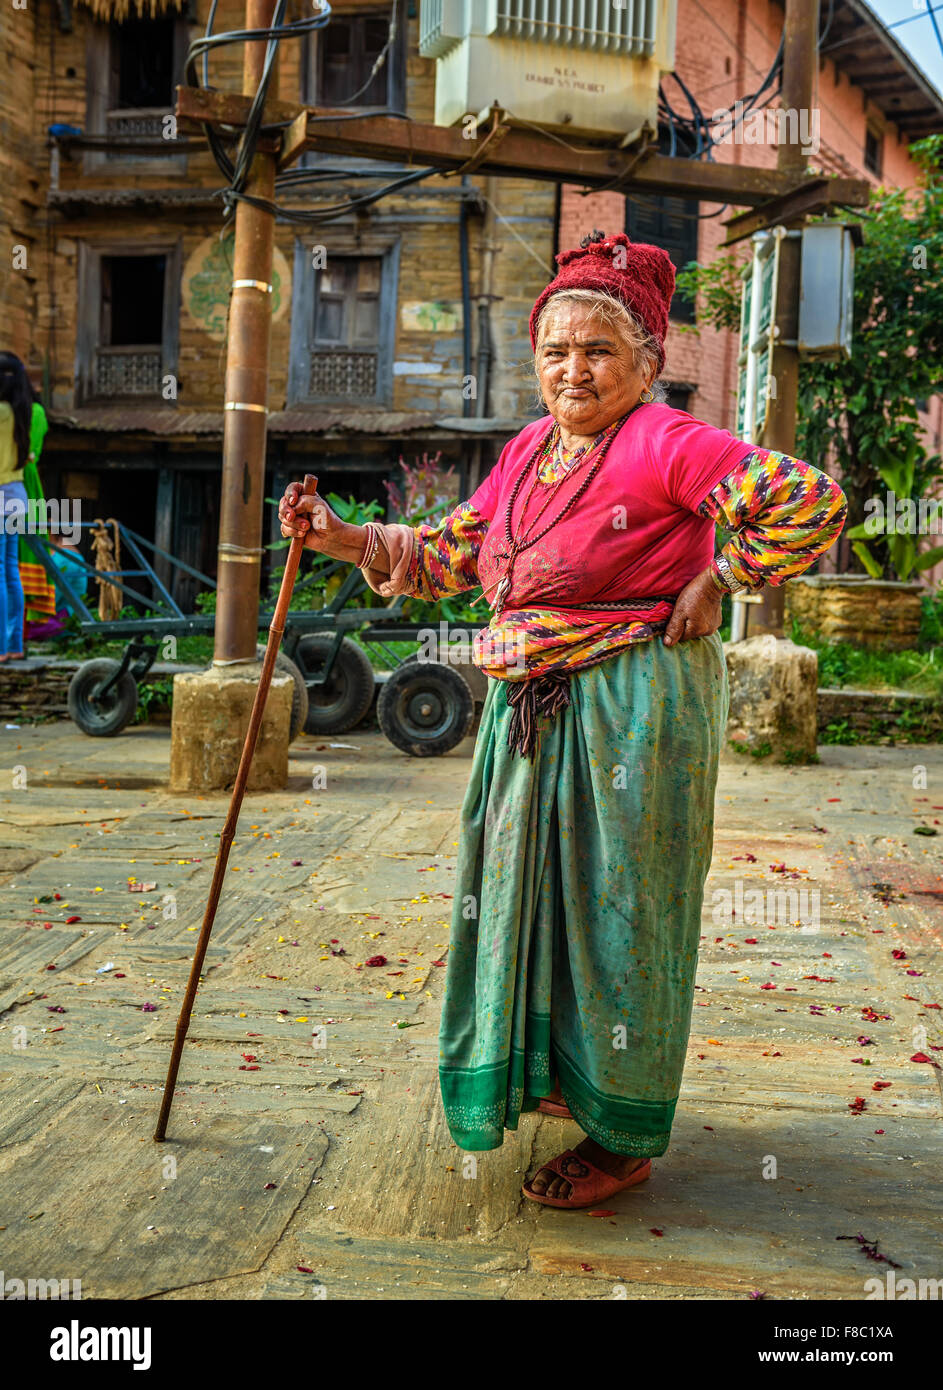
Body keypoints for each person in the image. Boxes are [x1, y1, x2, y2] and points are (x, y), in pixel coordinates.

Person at [279, 230, 847, 1210]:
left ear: (646, 363)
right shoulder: (533, 449)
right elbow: (457, 552)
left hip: (632, 712)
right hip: (530, 715)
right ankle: (554, 1074)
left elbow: (809, 500)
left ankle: (622, 1132)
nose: (573, 368)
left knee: (618, 906)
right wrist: (341, 536)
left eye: (598, 350)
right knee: (526, 894)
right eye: (556, 350)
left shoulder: (665, 441)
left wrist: (722, 577)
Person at [0, 352, 36, 662]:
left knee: (1, 572)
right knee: (9, 570)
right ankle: (13, 645)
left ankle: (1, 646)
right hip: (16, 494)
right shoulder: (23, 411)